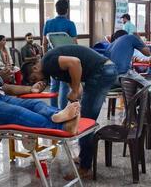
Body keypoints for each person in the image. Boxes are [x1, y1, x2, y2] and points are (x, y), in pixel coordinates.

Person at [0, 35, 81, 143]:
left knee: (35, 103)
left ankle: (61, 115)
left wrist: (30, 89)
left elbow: (5, 87)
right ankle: (63, 126)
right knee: (18, 112)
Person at [21, 44, 118, 178]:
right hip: (103, 70)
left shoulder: (48, 63)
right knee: (84, 118)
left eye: (34, 78)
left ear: (35, 68)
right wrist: (75, 91)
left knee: (86, 121)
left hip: (102, 71)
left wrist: (75, 90)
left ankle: (85, 168)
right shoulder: (52, 70)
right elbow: (73, 77)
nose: (38, 81)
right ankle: (83, 157)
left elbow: (75, 62)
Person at [43, 0, 77, 110]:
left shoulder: (48, 23)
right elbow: (74, 44)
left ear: (56, 10)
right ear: (67, 10)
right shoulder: (70, 24)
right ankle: (62, 111)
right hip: (66, 58)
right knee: (64, 86)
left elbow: (44, 43)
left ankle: (53, 110)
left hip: (52, 57)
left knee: (53, 85)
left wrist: (45, 58)